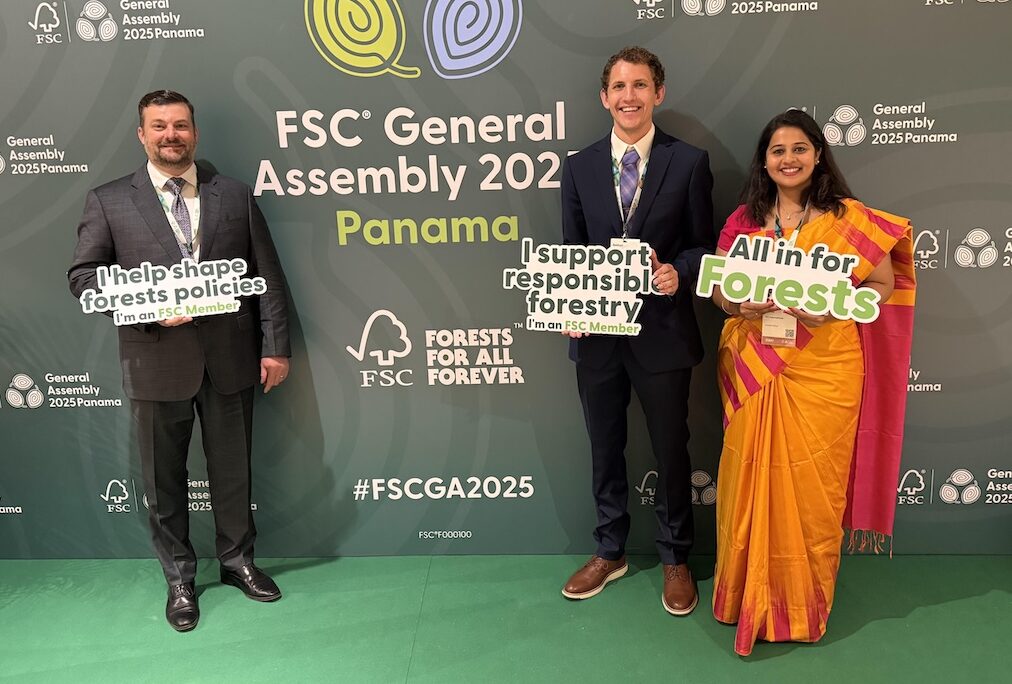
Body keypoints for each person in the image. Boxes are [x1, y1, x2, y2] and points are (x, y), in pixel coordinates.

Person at [68, 90, 291, 632]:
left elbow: (269, 275)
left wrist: (276, 346)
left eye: (181, 125)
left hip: (231, 359)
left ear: (195, 133)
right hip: (154, 362)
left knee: (233, 473)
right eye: (160, 126)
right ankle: (180, 579)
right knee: (163, 481)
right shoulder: (109, 200)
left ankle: (238, 562)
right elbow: (83, 278)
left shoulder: (233, 195)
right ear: (142, 135)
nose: (172, 135)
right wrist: (147, 306)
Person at [709, 109, 915, 655]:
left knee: (811, 493)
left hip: (824, 366)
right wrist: (738, 301)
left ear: (818, 154)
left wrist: (839, 306)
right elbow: (719, 290)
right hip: (755, 361)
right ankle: (743, 598)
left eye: (799, 148)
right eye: (778, 151)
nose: (789, 159)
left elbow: (883, 283)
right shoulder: (745, 220)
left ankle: (800, 605)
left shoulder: (849, 220)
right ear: (765, 161)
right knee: (745, 479)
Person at [559, 46, 714, 615]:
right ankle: (610, 549)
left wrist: (681, 271)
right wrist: (567, 306)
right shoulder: (577, 167)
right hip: (597, 335)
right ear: (605, 98)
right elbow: (571, 253)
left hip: (663, 334)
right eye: (619, 86)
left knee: (672, 449)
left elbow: (705, 245)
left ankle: (676, 557)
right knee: (605, 446)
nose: (630, 96)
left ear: (659, 94)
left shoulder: (689, 162)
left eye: (640, 85)